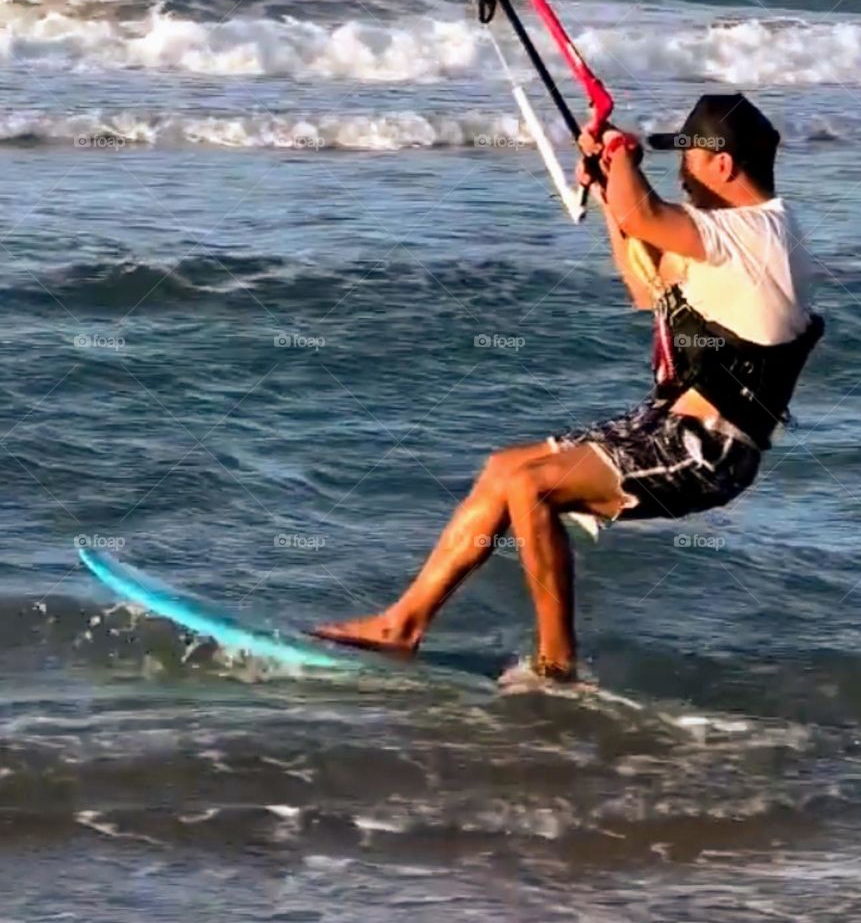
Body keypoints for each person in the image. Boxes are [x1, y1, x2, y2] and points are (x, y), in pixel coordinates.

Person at [312, 92, 823, 681]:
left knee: (533, 488)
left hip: (709, 450)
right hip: (667, 427)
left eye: (688, 165)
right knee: (505, 470)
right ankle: (401, 624)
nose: (682, 179)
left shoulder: (761, 234)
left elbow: (646, 217)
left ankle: (556, 667)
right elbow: (645, 282)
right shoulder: (739, 241)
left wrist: (620, 157)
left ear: (724, 165)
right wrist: (610, 190)